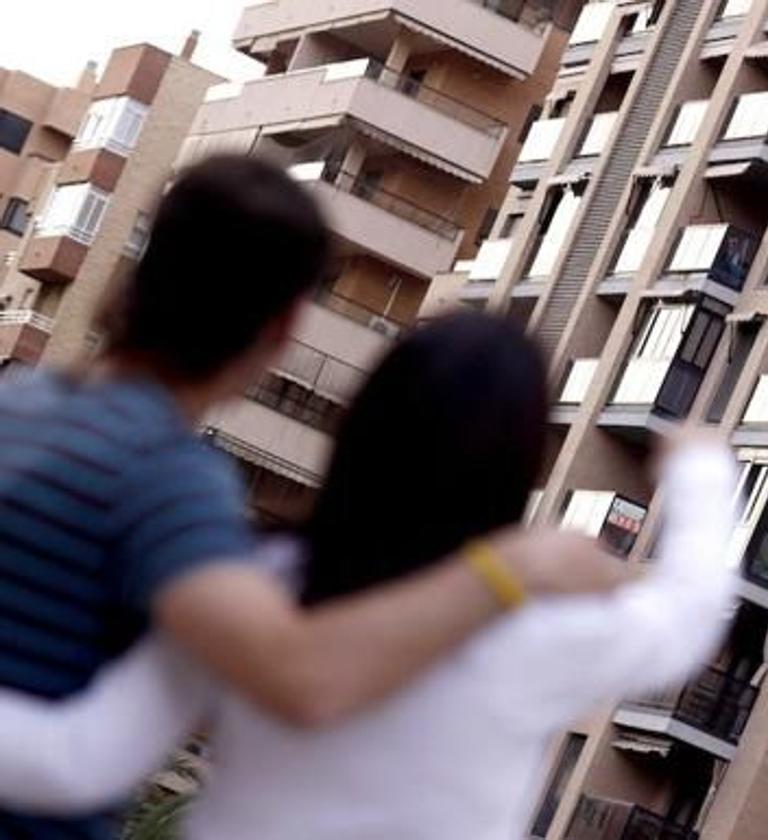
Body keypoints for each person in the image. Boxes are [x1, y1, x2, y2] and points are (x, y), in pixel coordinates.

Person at [0, 157, 617, 838]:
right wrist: (512, 570)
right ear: (284, 327)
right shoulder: (164, 479)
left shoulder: (17, 404)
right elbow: (303, 680)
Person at [0, 312, 737, 840]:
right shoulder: (539, 632)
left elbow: (81, 759)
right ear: (519, 467)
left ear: (364, 427)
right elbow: (690, 612)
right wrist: (702, 470)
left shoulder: (264, 585)